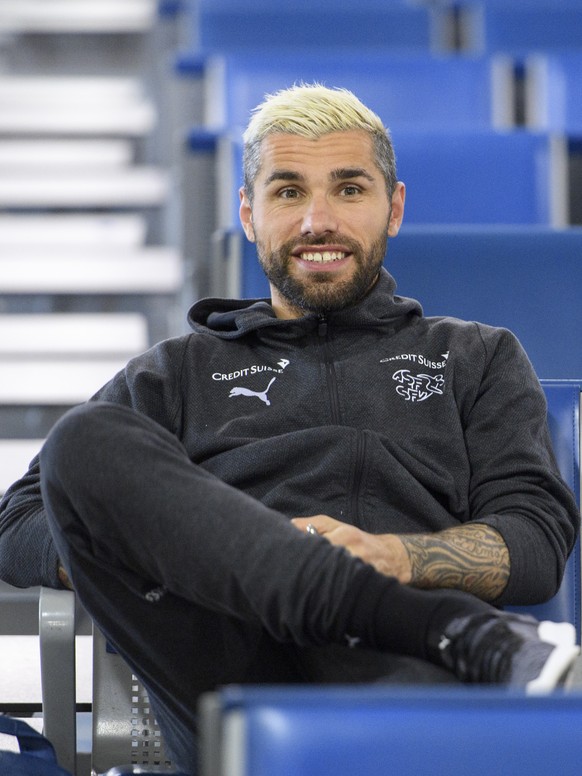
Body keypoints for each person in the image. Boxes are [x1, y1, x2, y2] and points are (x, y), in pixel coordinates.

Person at [0, 84, 579, 774]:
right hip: (226, 661)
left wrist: (395, 557)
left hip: (410, 669)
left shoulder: (474, 356)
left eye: (349, 190)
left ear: (394, 209)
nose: (317, 221)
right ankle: (469, 636)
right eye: (286, 193)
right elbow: (19, 523)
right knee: (84, 443)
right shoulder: (175, 373)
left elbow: (536, 541)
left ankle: (436, 631)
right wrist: (194, 548)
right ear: (248, 213)